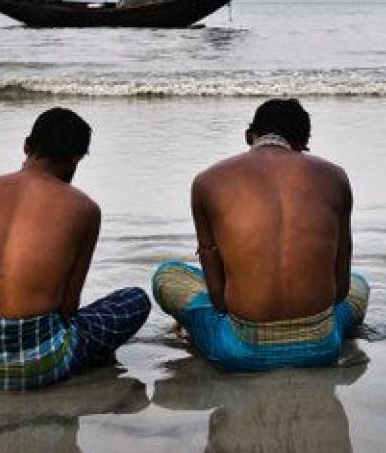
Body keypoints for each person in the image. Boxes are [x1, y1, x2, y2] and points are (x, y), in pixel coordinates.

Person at [0, 108, 151, 391]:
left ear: (27, 145)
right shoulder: (83, 208)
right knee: (135, 299)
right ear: (77, 158)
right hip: (41, 365)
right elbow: (68, 308)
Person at [152, 98, 368, 371]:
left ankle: (195, 332)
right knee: (360, 285)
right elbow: (341, 291)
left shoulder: (207, 181)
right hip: (322, 348)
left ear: (249, 136)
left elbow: (220, 302)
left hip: (240, 351)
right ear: (302, 144)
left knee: (168, 275)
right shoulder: (336, 177)